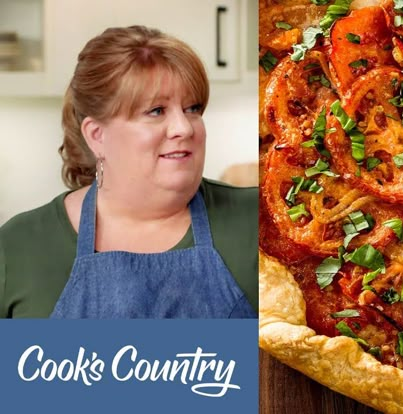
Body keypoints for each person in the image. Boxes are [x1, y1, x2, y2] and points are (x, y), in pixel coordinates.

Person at [0, 26, 257, 318]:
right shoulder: (17, 248)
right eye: (156, 111)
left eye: (192, 108)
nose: (184, 128)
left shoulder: (258, 221)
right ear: (97, 135)